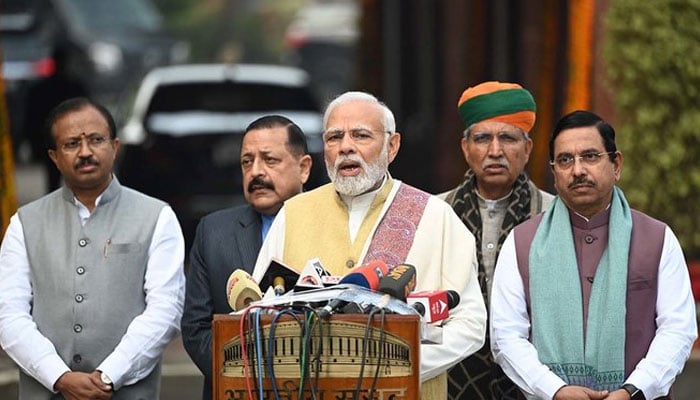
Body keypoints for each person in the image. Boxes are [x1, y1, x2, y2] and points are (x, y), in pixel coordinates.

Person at [252, 91, 487, 400]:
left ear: (392, 146)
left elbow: (470, 325)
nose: (346, 147)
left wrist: (390, 366)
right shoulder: (293, 214)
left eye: (361, 135)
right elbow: (256, 314)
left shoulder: (435, 216)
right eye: (334, 137)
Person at [490, 110, 697, 400]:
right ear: (554, 172)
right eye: (565, 160)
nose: (577, 170)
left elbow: (678, 330)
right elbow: (506, 336)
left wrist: (632, 391)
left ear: (616, 165)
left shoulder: (658, 238)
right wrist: (555, 390)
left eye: (590, 156)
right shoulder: (522, 242)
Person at [0, 97, 186, 399]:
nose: (85, 152)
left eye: (96, 140)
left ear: (115, 146)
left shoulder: (156, 217)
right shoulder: (24, 223)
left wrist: (107, 376)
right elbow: (9, 315)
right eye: (71, 143)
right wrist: (59, 377)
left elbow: (166, 310)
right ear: (54, 157)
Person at [181, 115, 312, 400]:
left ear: (303, 168)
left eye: (269, 160)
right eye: (246, 162)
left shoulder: (332, 226)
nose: (256, 172)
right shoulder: (214, 232)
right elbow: (196, 328)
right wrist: (246, 380)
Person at [441, 81, 554, 400]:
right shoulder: (435, 214)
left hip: (534, 382)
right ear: (466, 148)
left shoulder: (554, 216)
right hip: (452, 381)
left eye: (507, 138)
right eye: (482, 138)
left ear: (528, 148)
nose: (495, 151)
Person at [24, 43, 88, 191]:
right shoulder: (75, 88)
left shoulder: (40, 89)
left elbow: (31, 119)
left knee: (54, 177)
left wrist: (31, 141)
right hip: (69, 139)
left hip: (52, 140)